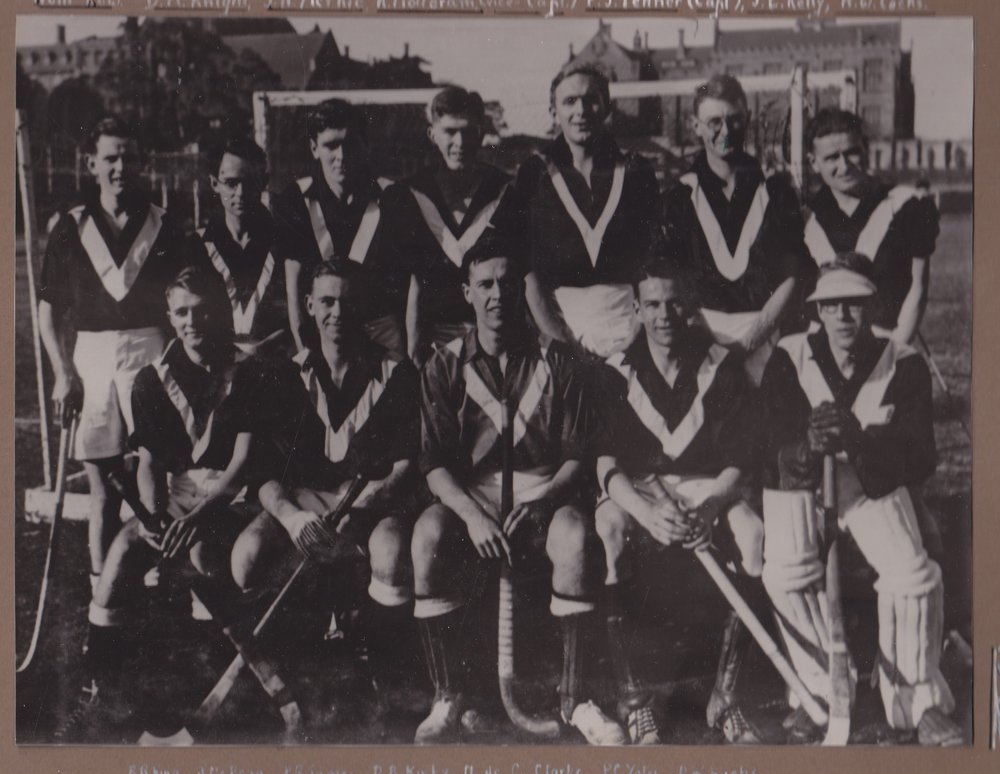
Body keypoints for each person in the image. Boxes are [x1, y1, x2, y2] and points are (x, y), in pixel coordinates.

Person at [412, 235, 625, 745]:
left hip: (545, 497)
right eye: (484, 284)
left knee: (576, 538)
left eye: (508, 283)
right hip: (473, 502)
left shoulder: (560, 361)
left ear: (522, 289)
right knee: (426, 536)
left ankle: (576, 700)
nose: (497, 294)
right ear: (467, 292)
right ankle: (447, 695)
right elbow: (434, 464)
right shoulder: (443, 365)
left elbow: (579, 456)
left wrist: (544, 502)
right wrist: (471, 515)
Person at [758, 253, 962, 746]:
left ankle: (918, 701)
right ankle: (825, 689)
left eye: (854, 304)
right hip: (801, 482)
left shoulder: (903, 360)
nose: (843, 317)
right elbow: (764, 443)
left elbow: (919, 457)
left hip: (872, 482)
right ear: (817, 311)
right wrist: (806, 442)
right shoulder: (789, 355)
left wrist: (856, 438)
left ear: (872, 305)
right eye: (832, 305)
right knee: (783, 572)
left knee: (913, 573)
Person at [79, 266, 280, 730]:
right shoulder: (152, 379)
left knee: (205, 553)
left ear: (218, 312)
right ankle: (101, 687)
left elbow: (244, 463)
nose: (193, 321)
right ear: (169, 317)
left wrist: (194, 520)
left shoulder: (249, 372)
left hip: (236, 495)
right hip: (179, 495)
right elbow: (149, 463)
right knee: (124, 549)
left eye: (203, 310)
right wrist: (154, 517)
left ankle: (226, 686)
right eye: (182, 312)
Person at [594, 257, 766, 745]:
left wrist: (709, 508)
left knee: (753, 533)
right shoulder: (616, 372)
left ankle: (725, 699)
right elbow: (606, 465)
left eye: (674, 303)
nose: (664, 315)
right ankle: (635, 702)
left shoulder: (721, 363)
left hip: (710, 489)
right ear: (636, 308)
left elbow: (741, 459)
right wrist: (647, 514)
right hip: (643, 493)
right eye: (652, 304)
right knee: (608, 526)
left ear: (689, 306)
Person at [232, 259, 420, 693]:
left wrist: (358, 509)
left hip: (372, 505)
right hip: (306, 506)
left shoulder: (397, 373)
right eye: (328, 302)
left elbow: (404, 468)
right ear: (309, 305)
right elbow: (263, 474)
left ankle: (388, 680)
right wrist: (292, 517)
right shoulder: (282, 374)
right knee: (247, 553)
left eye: (348, 302)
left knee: (389, 552)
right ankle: (281, 680)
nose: (338, 312)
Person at [38, 115, 188, 596]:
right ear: (92, 164)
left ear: (143, 162)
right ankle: (102, 585)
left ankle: (158, 574)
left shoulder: (166, 224)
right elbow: (46, 313)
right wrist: (63, 373)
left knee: (154, 472)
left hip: (151, 351)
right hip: (92, 357)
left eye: (129, 156)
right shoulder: (69, 227)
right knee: (102, 484)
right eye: (110, 157)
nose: (120, 166)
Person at [661, 74, 813, 385]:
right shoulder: (677, 197)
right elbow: (674, 280)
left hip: (767, 337)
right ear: (696, 127)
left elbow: (792, 276)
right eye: (714, 122)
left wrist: (749, 342)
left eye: (734, 120)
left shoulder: (777, 192)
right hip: (703, 344)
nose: (726, 131)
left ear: (748, 119)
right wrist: (711, 345)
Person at [516, 64, 659, 360]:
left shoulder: (635, 171)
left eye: (591, 99)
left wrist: (638, 333)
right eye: (569, 101)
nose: (581, 110)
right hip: (559, 332)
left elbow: (652, 261)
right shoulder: (535, 174)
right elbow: (527, 271)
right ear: (553, 111)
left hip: (629, 331)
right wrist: (558, 340)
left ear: (607, 106)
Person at [376, 86, 519, 366]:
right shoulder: (407, 196)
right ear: (432, 134)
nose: (460, 142)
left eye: (468, 131)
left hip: (495, 339)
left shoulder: (505, 193)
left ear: (481, 133)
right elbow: (409, 285)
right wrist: (414, 354)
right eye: (450, 131)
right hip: (432, 343)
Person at [272, 100, 400, 356]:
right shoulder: (295, 199)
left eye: (350, 144)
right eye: (331, 145)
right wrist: (305, 355)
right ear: (314, 148)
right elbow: (294, 289)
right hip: (322, 332)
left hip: (380, 334)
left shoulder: (391, 197)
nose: (341, 156)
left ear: (363, 145)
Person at [804, 108, 938, 344]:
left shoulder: (905, 205)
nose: (844, 166)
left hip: (887, 344)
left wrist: (894, 354)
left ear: (865, 148)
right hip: (822, 353)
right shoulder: (805, 218)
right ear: (814, 162)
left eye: (851, 153)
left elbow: (918, 289)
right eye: (831, 157)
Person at [187, 135, 290, 358]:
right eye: (231, 183)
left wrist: (259, 351)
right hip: (215, 366)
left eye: (250, 182)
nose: (241, 193)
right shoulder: (196, 246)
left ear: (264, 182)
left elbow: (297, 317)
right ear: (215, 183)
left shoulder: (284, 243)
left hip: (274, 366)